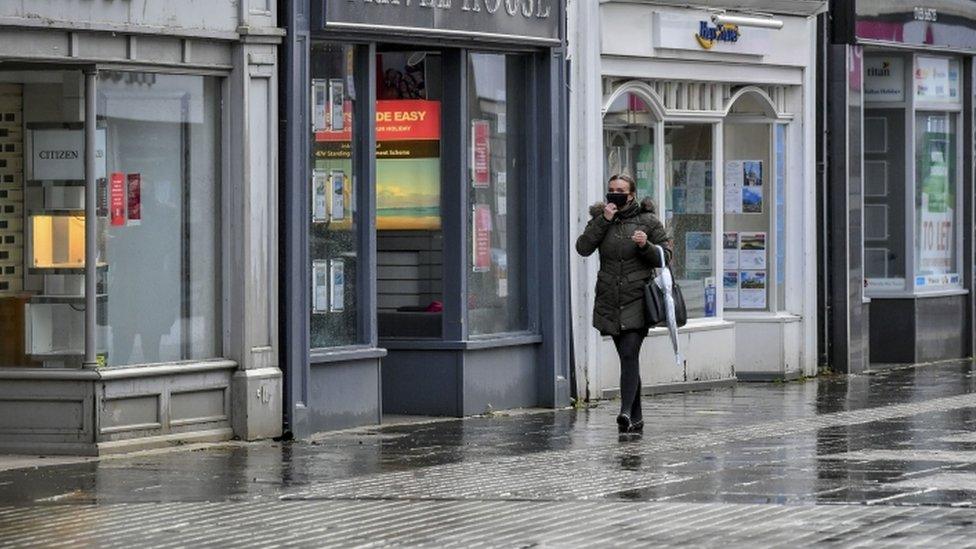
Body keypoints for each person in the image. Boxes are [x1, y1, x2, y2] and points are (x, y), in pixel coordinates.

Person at [575, 174, 671, 434]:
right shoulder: (601, 220)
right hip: (609, 298)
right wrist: (604, 220)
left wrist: (645, 245)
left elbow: (666, 256)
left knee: (629, 353)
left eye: (621, 190)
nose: (615, 194)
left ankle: (625, 412)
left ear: (632, 194)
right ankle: (636, 416)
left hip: (638, 297)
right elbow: (582, 248)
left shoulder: (648, 221)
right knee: (626, 356)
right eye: (611, 190)